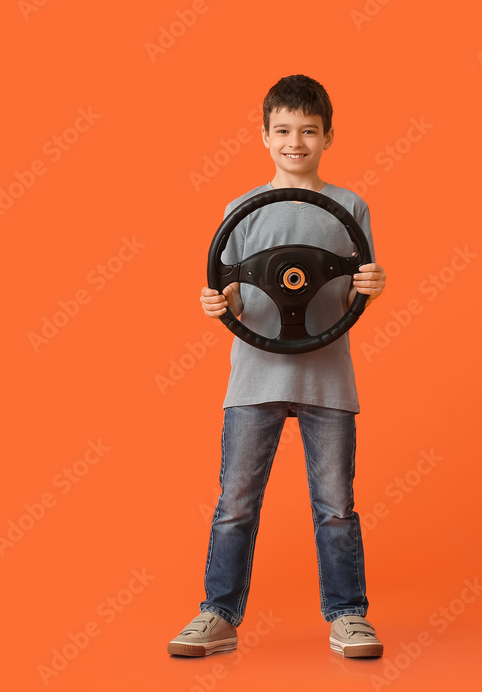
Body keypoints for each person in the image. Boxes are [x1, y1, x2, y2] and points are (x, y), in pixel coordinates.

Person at [168, 74, 387, 659]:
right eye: (285, 130)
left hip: (328, 381)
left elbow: (348, 301)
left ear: (328, 137)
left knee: (336, 506)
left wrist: (370, 285)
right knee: (235, 502)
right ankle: (218, 612)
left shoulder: (351, 207)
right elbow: (233, 293)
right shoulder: (240, 210)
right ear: (265, 136)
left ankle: (348, 615)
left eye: (309, 131)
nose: (297, 141)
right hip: (253, 378)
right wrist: (221, 302)